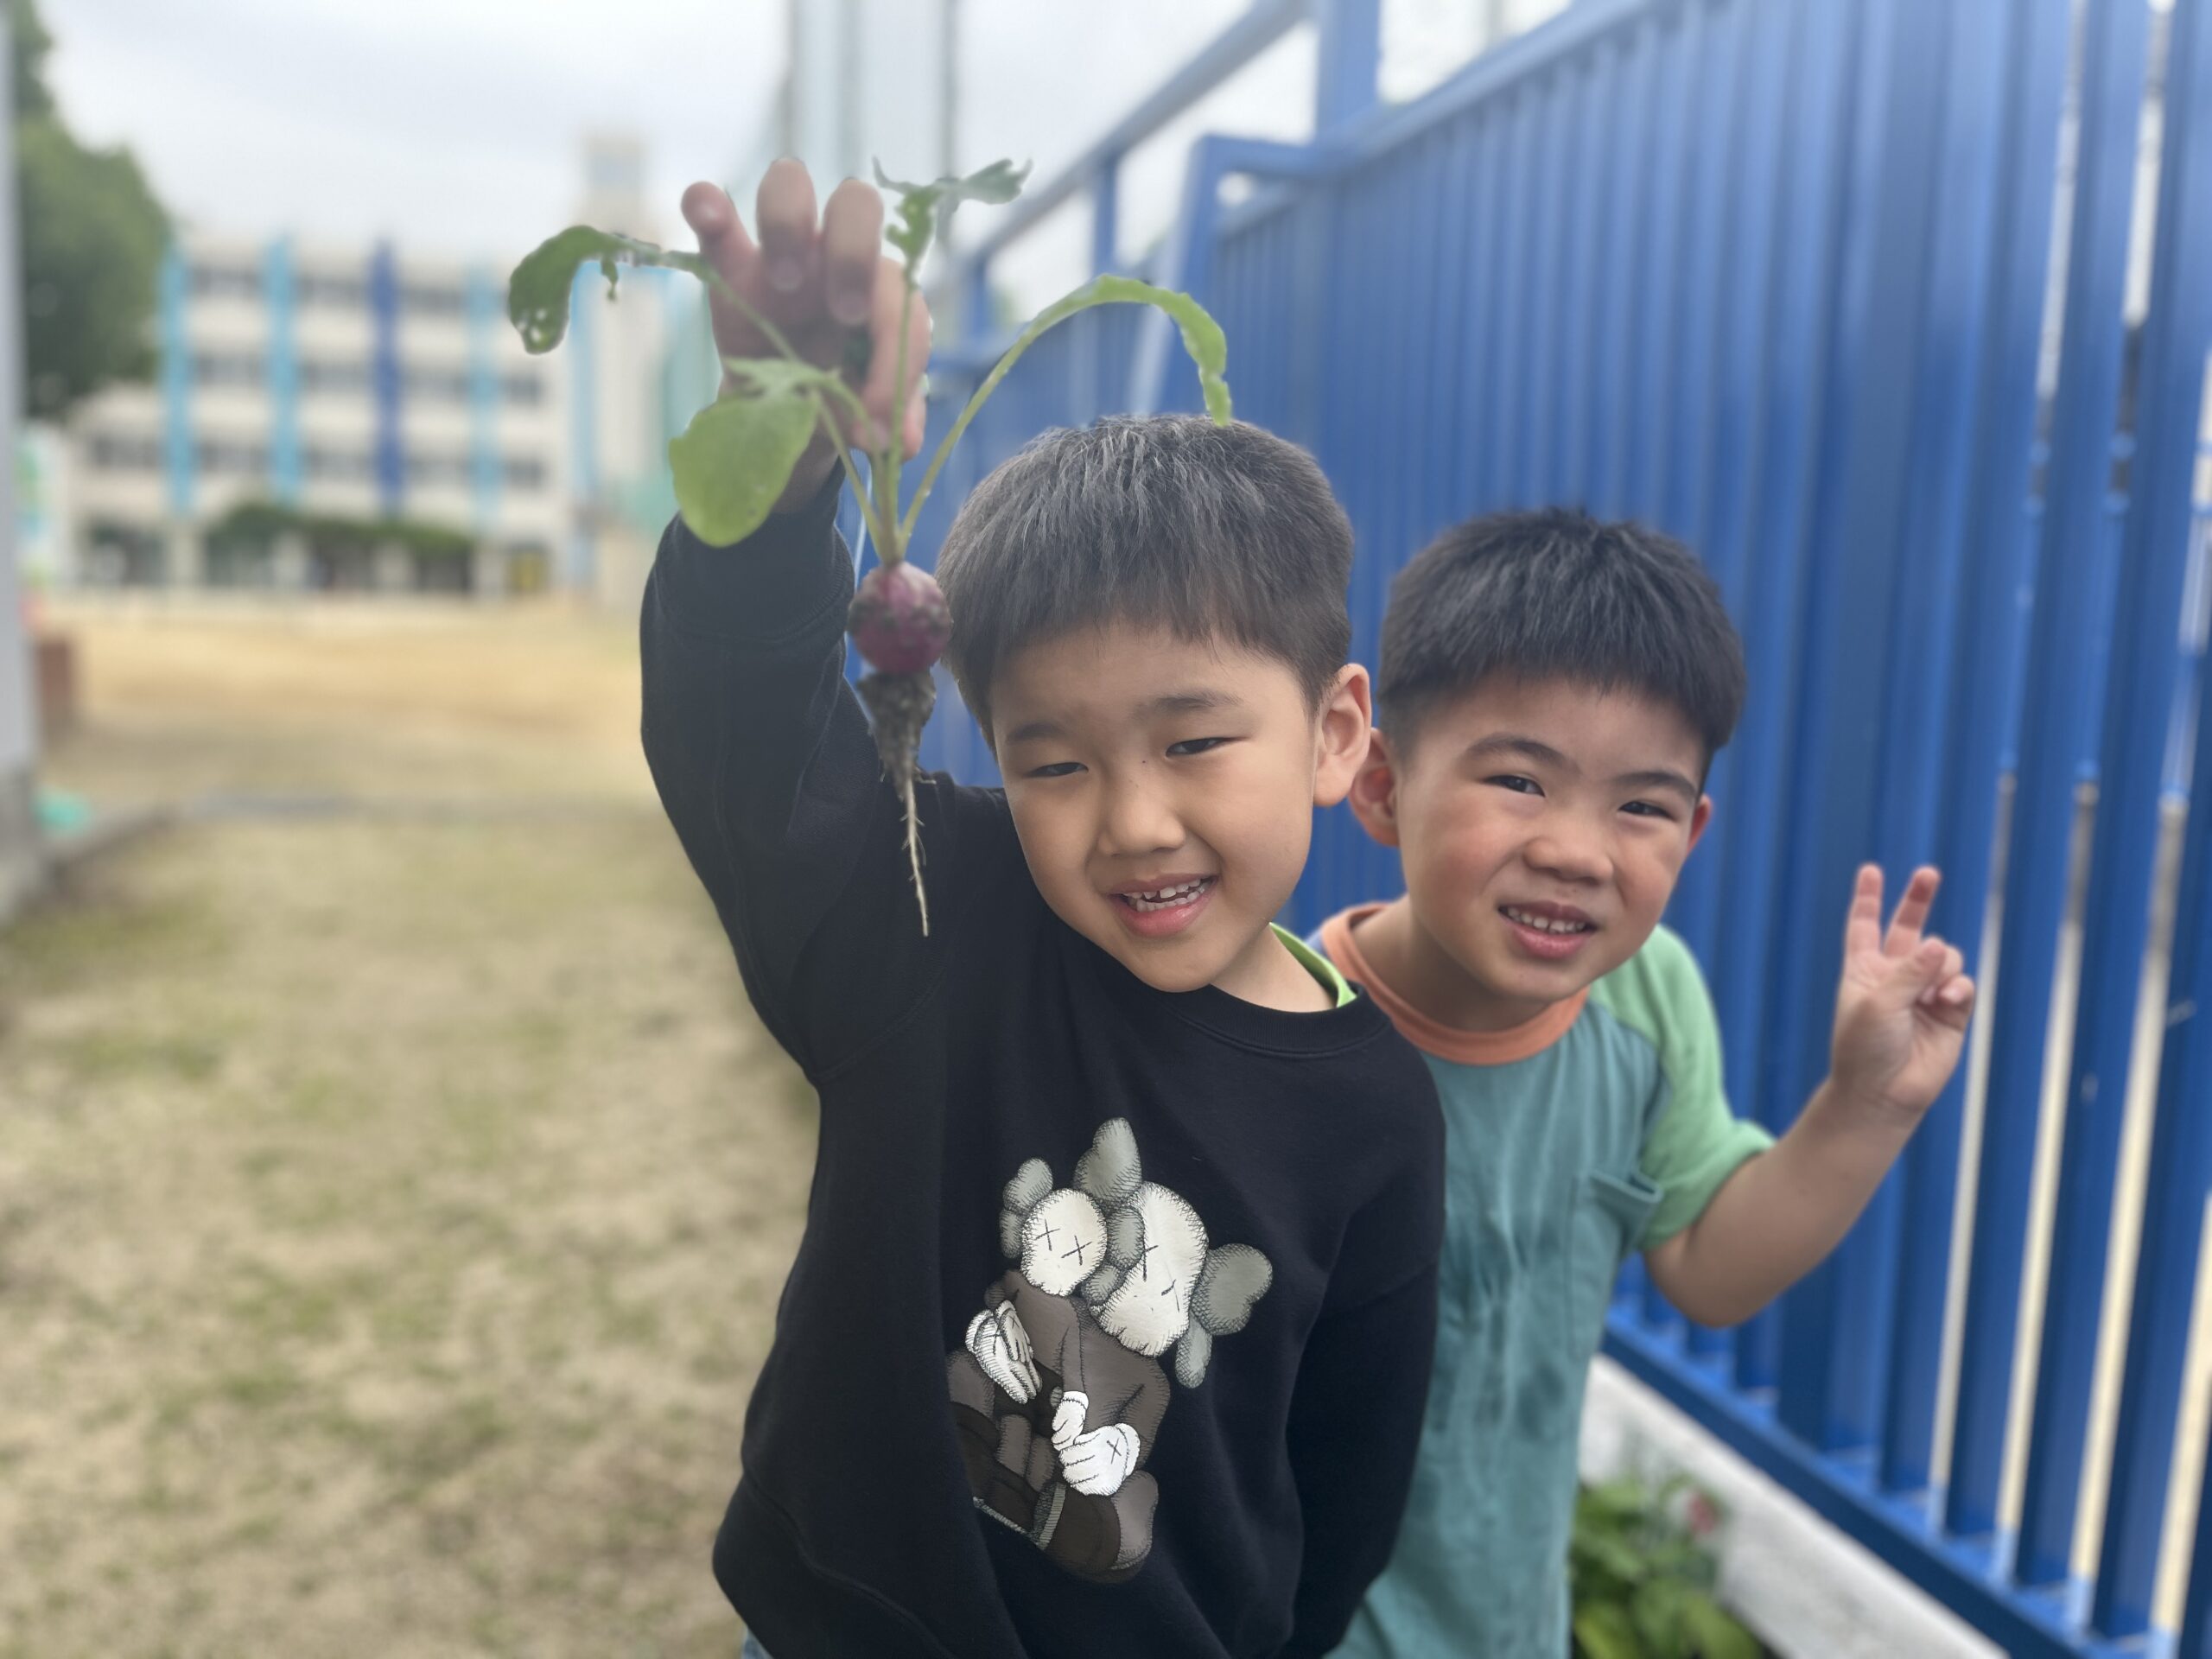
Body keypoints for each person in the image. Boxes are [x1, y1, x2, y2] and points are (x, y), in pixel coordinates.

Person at [645, 160, 1445, 1659]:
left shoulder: (1378, 1107)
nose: (1135, 822)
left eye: (1195, 741)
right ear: (985, 746)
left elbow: (1344, 1486)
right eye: (1054, 760)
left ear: (1337, 733)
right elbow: (741, 757)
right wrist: (779, 481)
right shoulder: (935, 921)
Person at [1314, 510, 1977, 1657]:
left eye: (1641, 805)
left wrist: (1871, 1105)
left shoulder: (1648, 998)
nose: (1579, 849)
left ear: (1694, 831)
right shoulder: (1288, 1033)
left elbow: (1710, 1270)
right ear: (1382, 783)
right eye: (1520, 778)